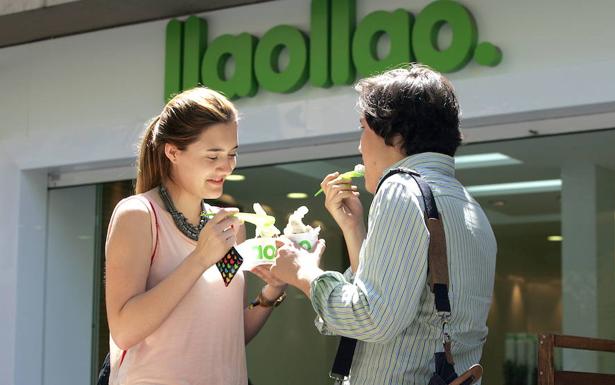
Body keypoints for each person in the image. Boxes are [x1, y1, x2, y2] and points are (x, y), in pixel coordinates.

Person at [270, 64, 497, 384]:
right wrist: (354, 230)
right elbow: (401, 303)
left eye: (363, 129)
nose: (359, 146)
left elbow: (372, 317)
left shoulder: (401, 189)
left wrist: (305, 273)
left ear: (396, 134)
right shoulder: (466, 204)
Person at [105, 87, 286, 385]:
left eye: (232, 154)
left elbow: (228, 336)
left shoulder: (230, 227)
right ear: (173, 151)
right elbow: (124, 331)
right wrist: (200, 258)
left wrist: (271, 293)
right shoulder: (138, 215)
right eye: (213, 155)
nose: (226, 166)